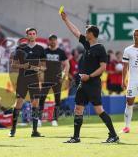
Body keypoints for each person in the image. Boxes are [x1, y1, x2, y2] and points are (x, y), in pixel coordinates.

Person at [60, 12, 119, 143]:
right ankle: (76, 137)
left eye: (87, 32)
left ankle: (114, 135)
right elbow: (76, 32)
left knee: (98, 110)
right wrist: (66, 20)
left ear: (92, 34)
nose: (84, 33)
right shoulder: (87, 45)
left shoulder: (100, 48)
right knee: (78, 108)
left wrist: (90, 76)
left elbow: (103, 67)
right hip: (83, 83)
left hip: (93, 83)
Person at [9, 28, 46, 137]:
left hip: (34, 79)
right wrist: (22, 66)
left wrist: (38, 68)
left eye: (33, 34)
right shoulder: (20, 48)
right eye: (30, 34)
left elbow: (44, 66)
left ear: (36, 35)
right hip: (22, 79)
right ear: (26, 35)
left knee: (35, 103)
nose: (32, 35)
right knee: (18, 103)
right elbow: (13, 65)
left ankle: (34, 131)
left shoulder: (40, 49)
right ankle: (13, 130)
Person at [39, 34, 69, 127]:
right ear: (49, 41)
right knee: (42, 98)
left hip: (57, 79)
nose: (53, 41)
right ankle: (39, 119)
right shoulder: (44, 51)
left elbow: (67, 64)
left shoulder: (61, 52)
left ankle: (55, 119)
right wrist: (40, 75)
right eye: (51, 40)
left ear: (56, 41)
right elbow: (40, 64)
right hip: (46, 79)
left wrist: (64, 75)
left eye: (54, 40)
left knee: (57, 99)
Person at [120, 29, 138, 133]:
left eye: (137, 35)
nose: (136, 37)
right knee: (129, 102)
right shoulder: (128, 50)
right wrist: (123, 80)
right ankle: (126, 127)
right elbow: (125, 67)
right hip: (133, 80)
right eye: (134, 35)